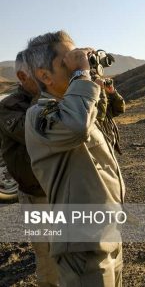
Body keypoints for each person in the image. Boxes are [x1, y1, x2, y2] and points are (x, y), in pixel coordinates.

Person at [23, 30, 125, 287]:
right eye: (67, 62)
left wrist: (95, 81)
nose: (78, 66)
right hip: (82, 247)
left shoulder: (77, 105)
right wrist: (80, 74)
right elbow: (77, 126)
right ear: (44, 76)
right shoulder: (39, 114)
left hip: (107, 232)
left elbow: (97, 118)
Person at [0, 51, 59, 287]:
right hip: (38, 193)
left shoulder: (58, 97)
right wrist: (47, 96)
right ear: (23, 76)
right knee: (48, 257)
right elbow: (34, 133)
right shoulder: (9, 106)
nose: (49, 77)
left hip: (66, 189)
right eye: (42, 73)